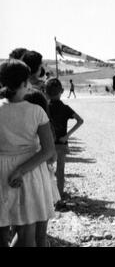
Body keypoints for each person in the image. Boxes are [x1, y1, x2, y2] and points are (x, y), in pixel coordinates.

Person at [0, 59, 56, 247]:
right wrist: (21, 170)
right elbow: (48, 149)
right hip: (30, 172)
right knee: (26, 232)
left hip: (2, 171)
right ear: (25, 82)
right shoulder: (36, 111)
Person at [23, 89, 61, 247]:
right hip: (42, 178)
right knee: (40, 235)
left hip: (21, 177)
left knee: (23, 231)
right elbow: (52, 156)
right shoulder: (45, 125)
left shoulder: (21, 127)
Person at [46, 78, 84, 198]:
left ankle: (48, 196)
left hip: (47, 144)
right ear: (62, 91)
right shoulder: (65, 108)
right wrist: (67, 135)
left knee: (46, 171)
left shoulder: (44, 108)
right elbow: (80, 120)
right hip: (61, 143)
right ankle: (60, 196)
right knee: (60, 171)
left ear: (46, 93)